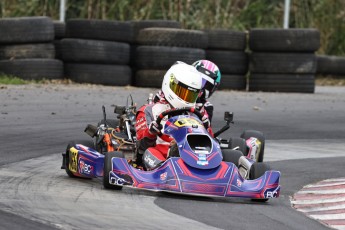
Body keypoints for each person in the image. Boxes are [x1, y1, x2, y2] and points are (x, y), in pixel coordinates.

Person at [135, 62, 210, 170]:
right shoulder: (150, 111)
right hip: (161, 156)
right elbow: (141, 148)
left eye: (190, 94)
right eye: (182, 92)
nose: (185, 98)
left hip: (191, 155)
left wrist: (207, 129)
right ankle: (165, 170)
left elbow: (206, 143)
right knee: (150, 152)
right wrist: (151, 132)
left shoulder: (195, 114)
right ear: (170, 84)